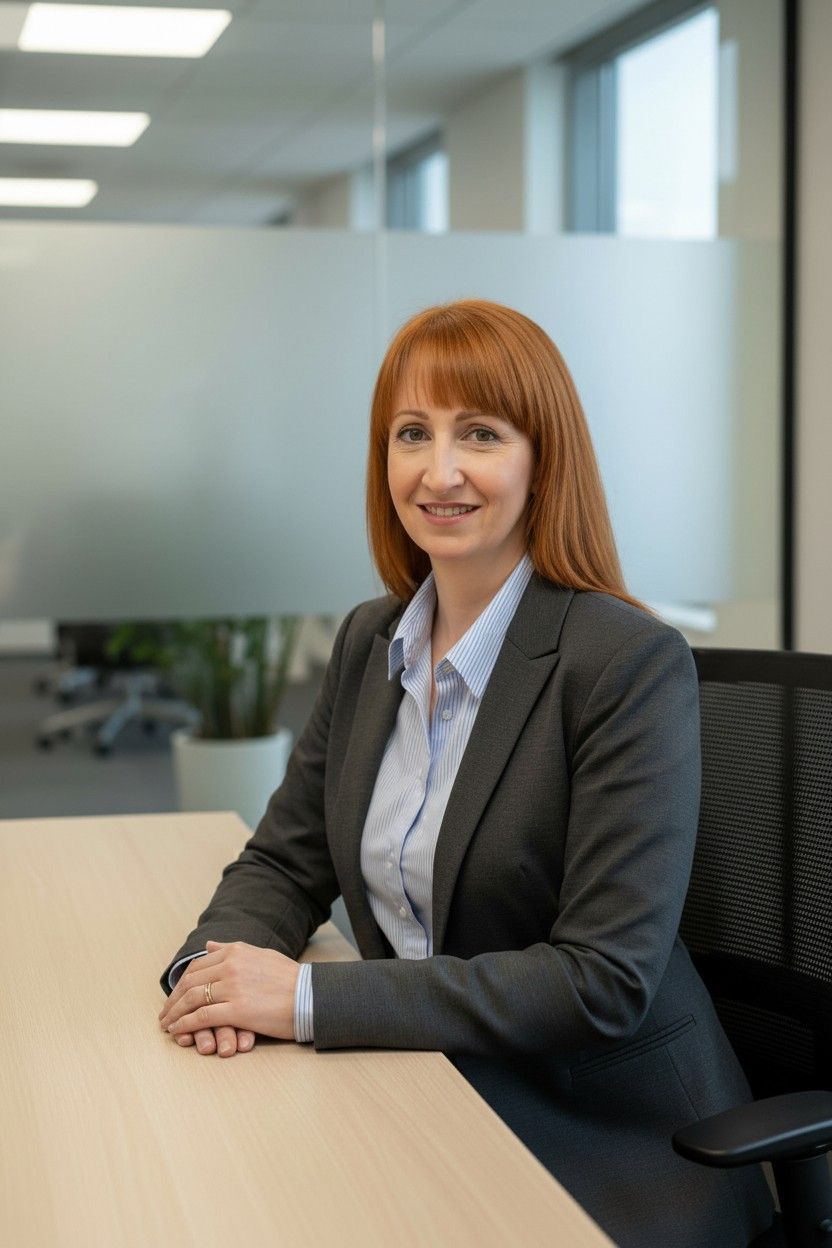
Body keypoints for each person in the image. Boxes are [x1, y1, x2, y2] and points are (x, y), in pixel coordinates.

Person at [158, 300, 774, 1248]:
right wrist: (213, 972)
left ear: (541, 459)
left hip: (605, 1133)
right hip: (423, 1081)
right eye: (413, 434)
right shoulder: (372, 641)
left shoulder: (624, 663)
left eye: (479, 434)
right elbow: (285, 861)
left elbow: (600, 979)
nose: (438, 471)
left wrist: (307, 999)